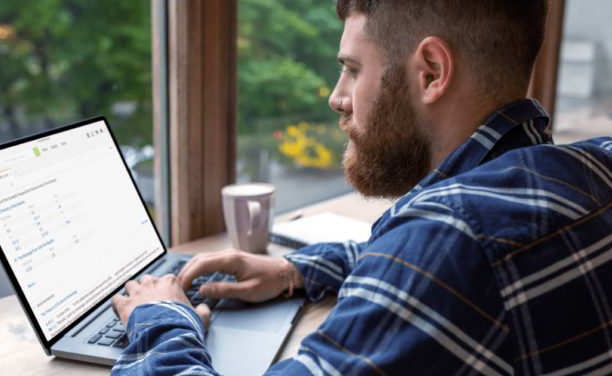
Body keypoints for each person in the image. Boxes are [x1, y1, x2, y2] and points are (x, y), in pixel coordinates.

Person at [111, 0, 612, 374]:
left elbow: (447, 257)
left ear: (432, 72)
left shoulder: (450, 243)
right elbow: (463, 256)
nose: (337, 97)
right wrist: (293, 270)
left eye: (352, 69)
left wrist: (164, 318)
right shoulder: (591, 168)